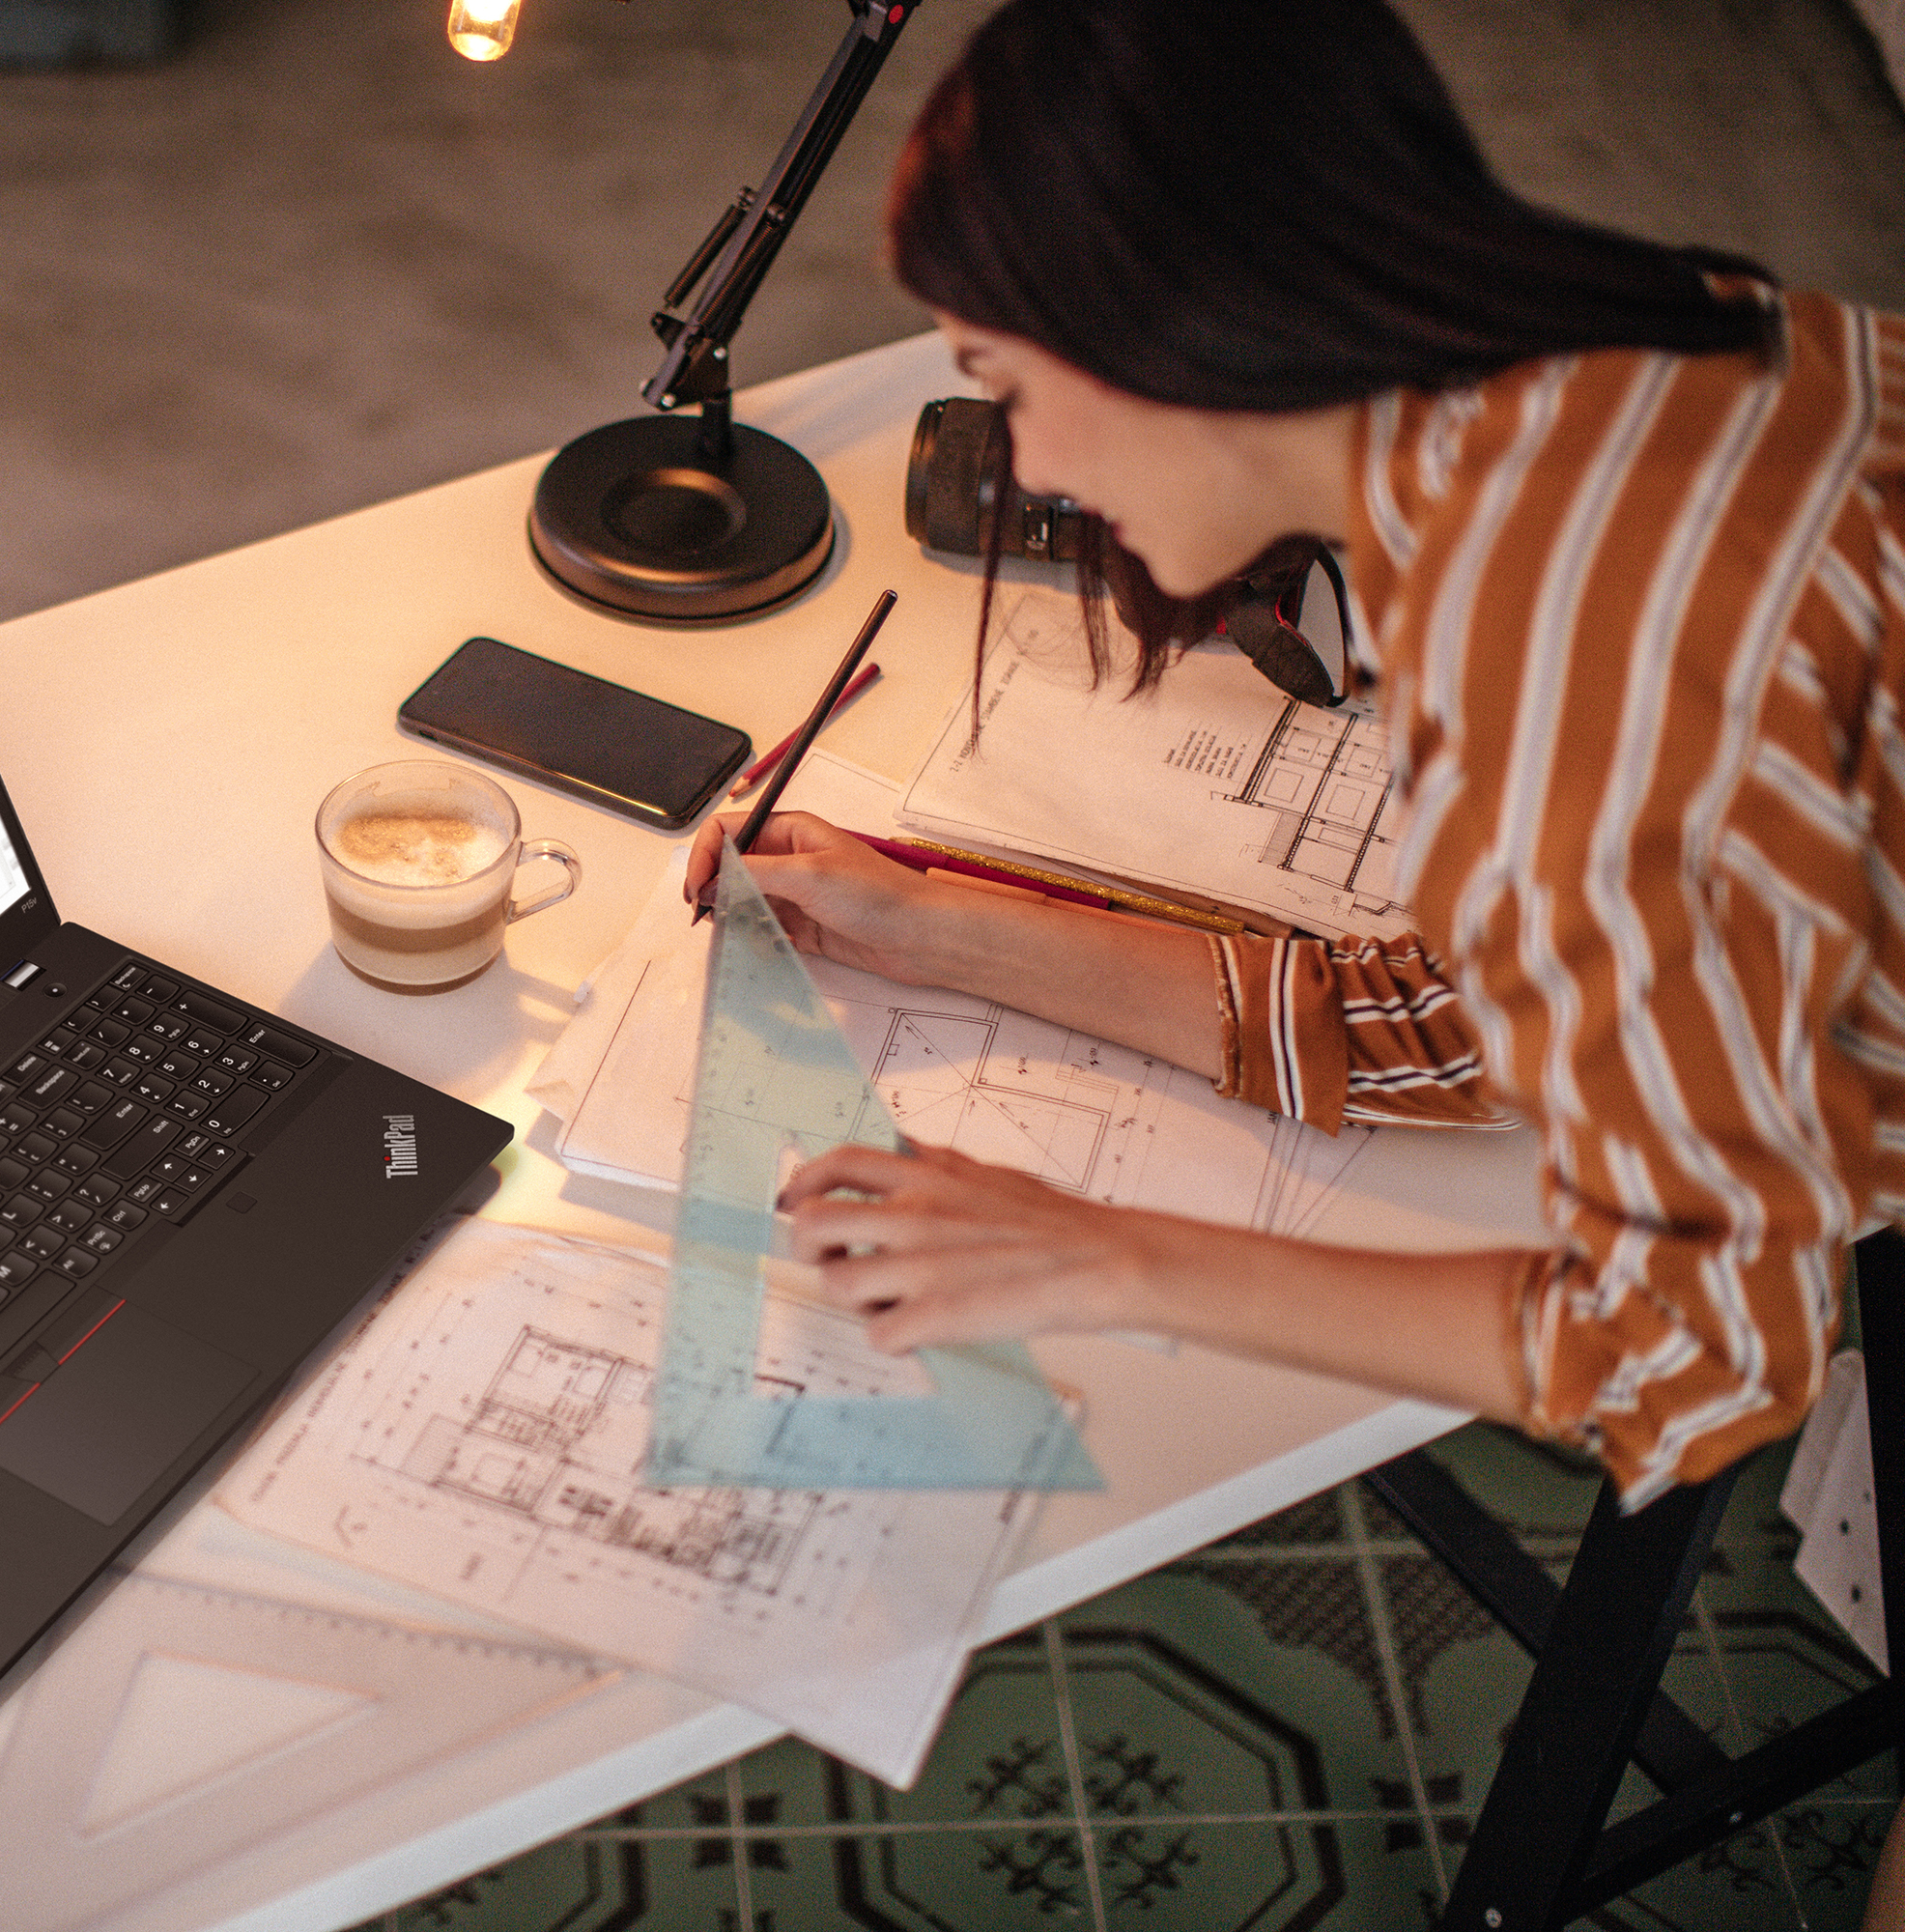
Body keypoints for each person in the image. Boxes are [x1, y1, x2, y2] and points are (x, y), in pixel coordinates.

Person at [685, 0, 1905, 1525]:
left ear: (1170, 314)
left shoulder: (1565, 636)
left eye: (1008, 386)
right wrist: (937, 930)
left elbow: (1698, 1352)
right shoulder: (1651, 351)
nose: (1033, 468)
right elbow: (1470, 1015)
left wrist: (1098, 1252)